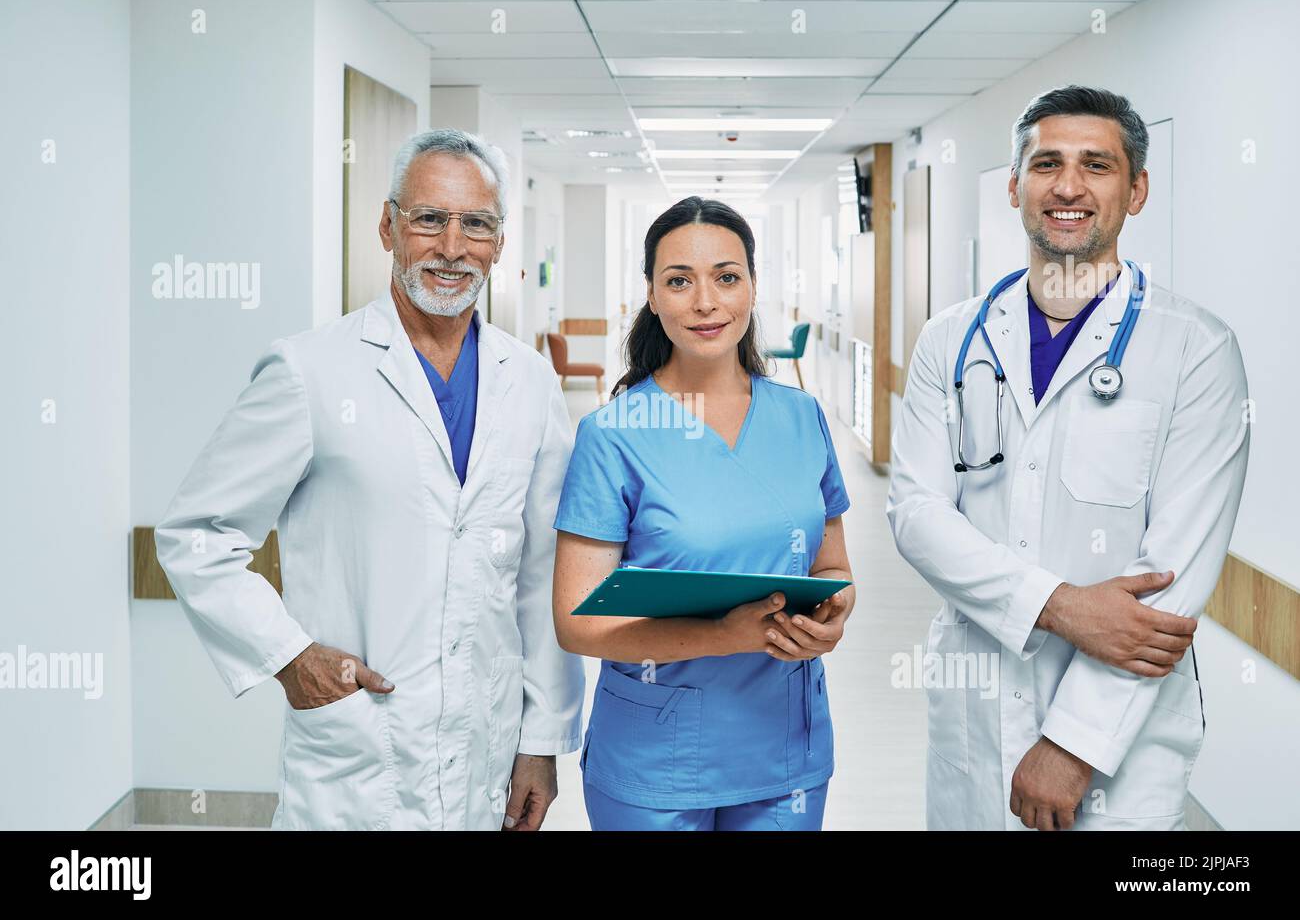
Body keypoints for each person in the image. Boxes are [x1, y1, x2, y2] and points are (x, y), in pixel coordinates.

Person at [156, 128, 584, 831]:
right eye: (429, 219)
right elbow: (196, 534)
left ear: (500, 243)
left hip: (487, 754)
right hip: (359, 760)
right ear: (387, 226)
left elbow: (542, 573)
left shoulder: (530, 382)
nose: (452, 247)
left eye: (475, 224)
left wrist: (540, 741)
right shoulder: (310, 371)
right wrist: (289, 655)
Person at [887, 85, 1250, 830]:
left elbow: (1169, 584)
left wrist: (1071, 744)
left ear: (1137, 189)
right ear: (1016, 185)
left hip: (1121, 743)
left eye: (1098, 165)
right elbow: (916, 515)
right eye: (1046, 162)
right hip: (976, 712)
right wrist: (1062, 606)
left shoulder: (1197, 351)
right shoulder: (949, 340)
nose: (1069, 186)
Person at [551, 196, 855, 831]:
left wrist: (833, 613)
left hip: (785, 747)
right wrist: (726, 635)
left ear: (751, 286)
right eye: (679, 281)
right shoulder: (614, 434)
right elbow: (577, 622)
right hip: (655, 760)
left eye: (726, 276)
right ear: (652, 298)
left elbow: (832, 565)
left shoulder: (802, 418)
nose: (706, 302)